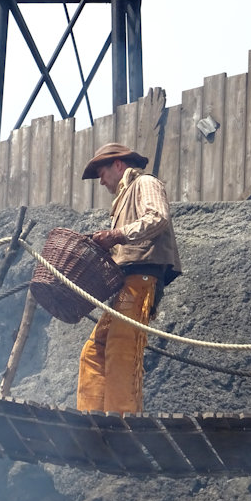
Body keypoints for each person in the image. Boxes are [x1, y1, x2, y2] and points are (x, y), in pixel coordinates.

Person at [77, 143, 181, 415]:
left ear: (118, 165)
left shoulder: (145, 183)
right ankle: (91, 418)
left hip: (141, 279)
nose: (101, 181)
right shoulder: (122, 198)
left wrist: (116, 235)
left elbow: (158, 217)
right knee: (94, 351)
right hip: (125, 284)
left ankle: (122, 418)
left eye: (102, 174)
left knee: (121, 346)